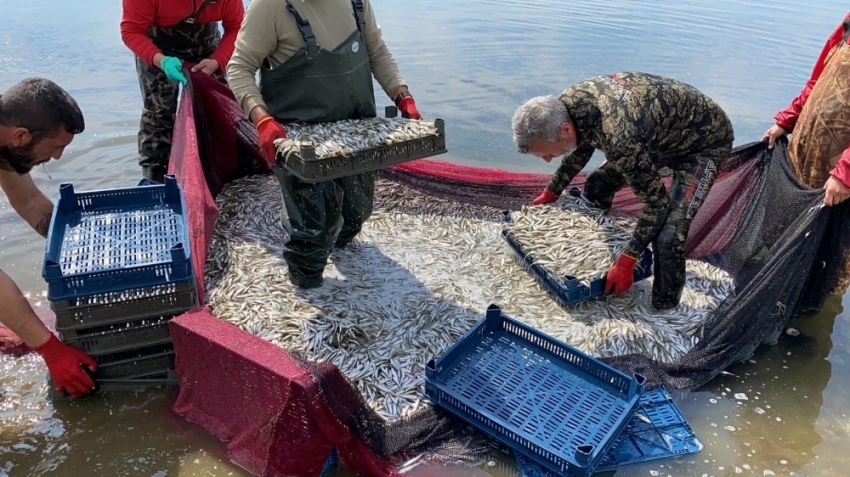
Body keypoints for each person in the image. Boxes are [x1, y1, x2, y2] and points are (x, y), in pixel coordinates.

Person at [227, 0, 422, 289]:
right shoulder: (269, 7)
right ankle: (306, 280)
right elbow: (239, 68)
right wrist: (262, 118)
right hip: (300, 140)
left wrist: (401, 94)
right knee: (314, 227)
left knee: (357, 214)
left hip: (356, 133)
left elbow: (376, 51)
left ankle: (342, 253)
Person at [513, 72, 734, 310]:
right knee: (598, 183)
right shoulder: (568, 105)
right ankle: (603, 245)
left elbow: (657, 204)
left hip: (704, 144)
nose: (547, 160)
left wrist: (627, 263)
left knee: (669, 235)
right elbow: (581, 145)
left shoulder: (619, 138)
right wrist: (552, 192)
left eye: (547, 153)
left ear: (564, 130)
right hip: (657, 133)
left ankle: (665, 307)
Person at [0, 77, 98, 398]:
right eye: (55, 147)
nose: (57, 158)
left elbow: (28, 200)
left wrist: (82, 246)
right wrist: (51, 351)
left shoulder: (7, 140)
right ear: (21, 136)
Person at [762, 12, 850, 291]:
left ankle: (811, 306)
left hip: (840, 173)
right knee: (788, 227)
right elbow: (817, 80)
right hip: (806, 147)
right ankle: (776, 288)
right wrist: (786, 120)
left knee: (827, 250)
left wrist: (846, 174)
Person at [120, 0, 245, 183]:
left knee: (215, 109)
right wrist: (162, 61)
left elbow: (237, 28)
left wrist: (218, 61)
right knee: (159, 112)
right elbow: (131, 31)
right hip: (157, 47)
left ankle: (217, 171)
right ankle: (154, 177)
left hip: (206, 47)